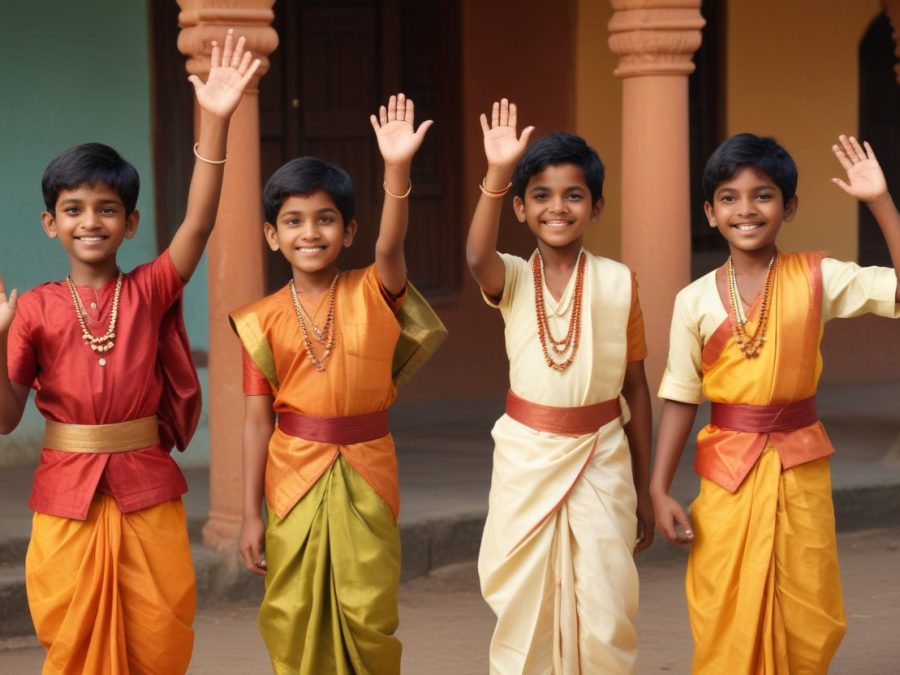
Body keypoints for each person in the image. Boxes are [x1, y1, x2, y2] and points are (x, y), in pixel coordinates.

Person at [0, 30, 259, 674]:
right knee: (69, 634)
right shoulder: (31, 307)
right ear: (50, 223)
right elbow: (6, 418)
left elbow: (198, 223)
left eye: (107, 208)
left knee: (159, 630)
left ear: (131, 223)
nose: (91, 221)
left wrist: (217, 122)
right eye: (74, 209)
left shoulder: (149, 288)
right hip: (65, 495)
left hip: (146, 485)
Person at [651, 133, 900, 673]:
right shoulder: (692, 299)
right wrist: (657, 486)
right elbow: (678, 394)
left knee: (808, 611)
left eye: (762, 195)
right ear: (710, 212)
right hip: (726, 476)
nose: (746, 209)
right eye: (728, 197)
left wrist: (880, 200)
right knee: (722, 608)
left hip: (800, 470)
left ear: (789, 207)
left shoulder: (817, 278)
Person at [231, 93, 443, 675]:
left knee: (367, 611)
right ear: (272, 235)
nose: (310, 233)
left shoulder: (376, 288)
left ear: (348, 231)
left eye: (325, 219)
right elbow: (256, 421)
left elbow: (391, 244)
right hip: (291, 476)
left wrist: (396, 168)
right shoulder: (260, 319)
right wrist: (251, 514)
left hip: (368, 472)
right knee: (293, 613)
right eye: (293, 221)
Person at [466, 99, 654, 674]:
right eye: (542, 195)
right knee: (527, 612)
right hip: (528, 462)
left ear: (596, 206)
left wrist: (646, 488)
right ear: (520, 209)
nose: (558, 207)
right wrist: (498, 173)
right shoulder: (514, 276)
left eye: (573, 195)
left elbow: (637, 389)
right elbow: (476, 255)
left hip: (603, 459)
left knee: (604, 611)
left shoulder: (619, 283)